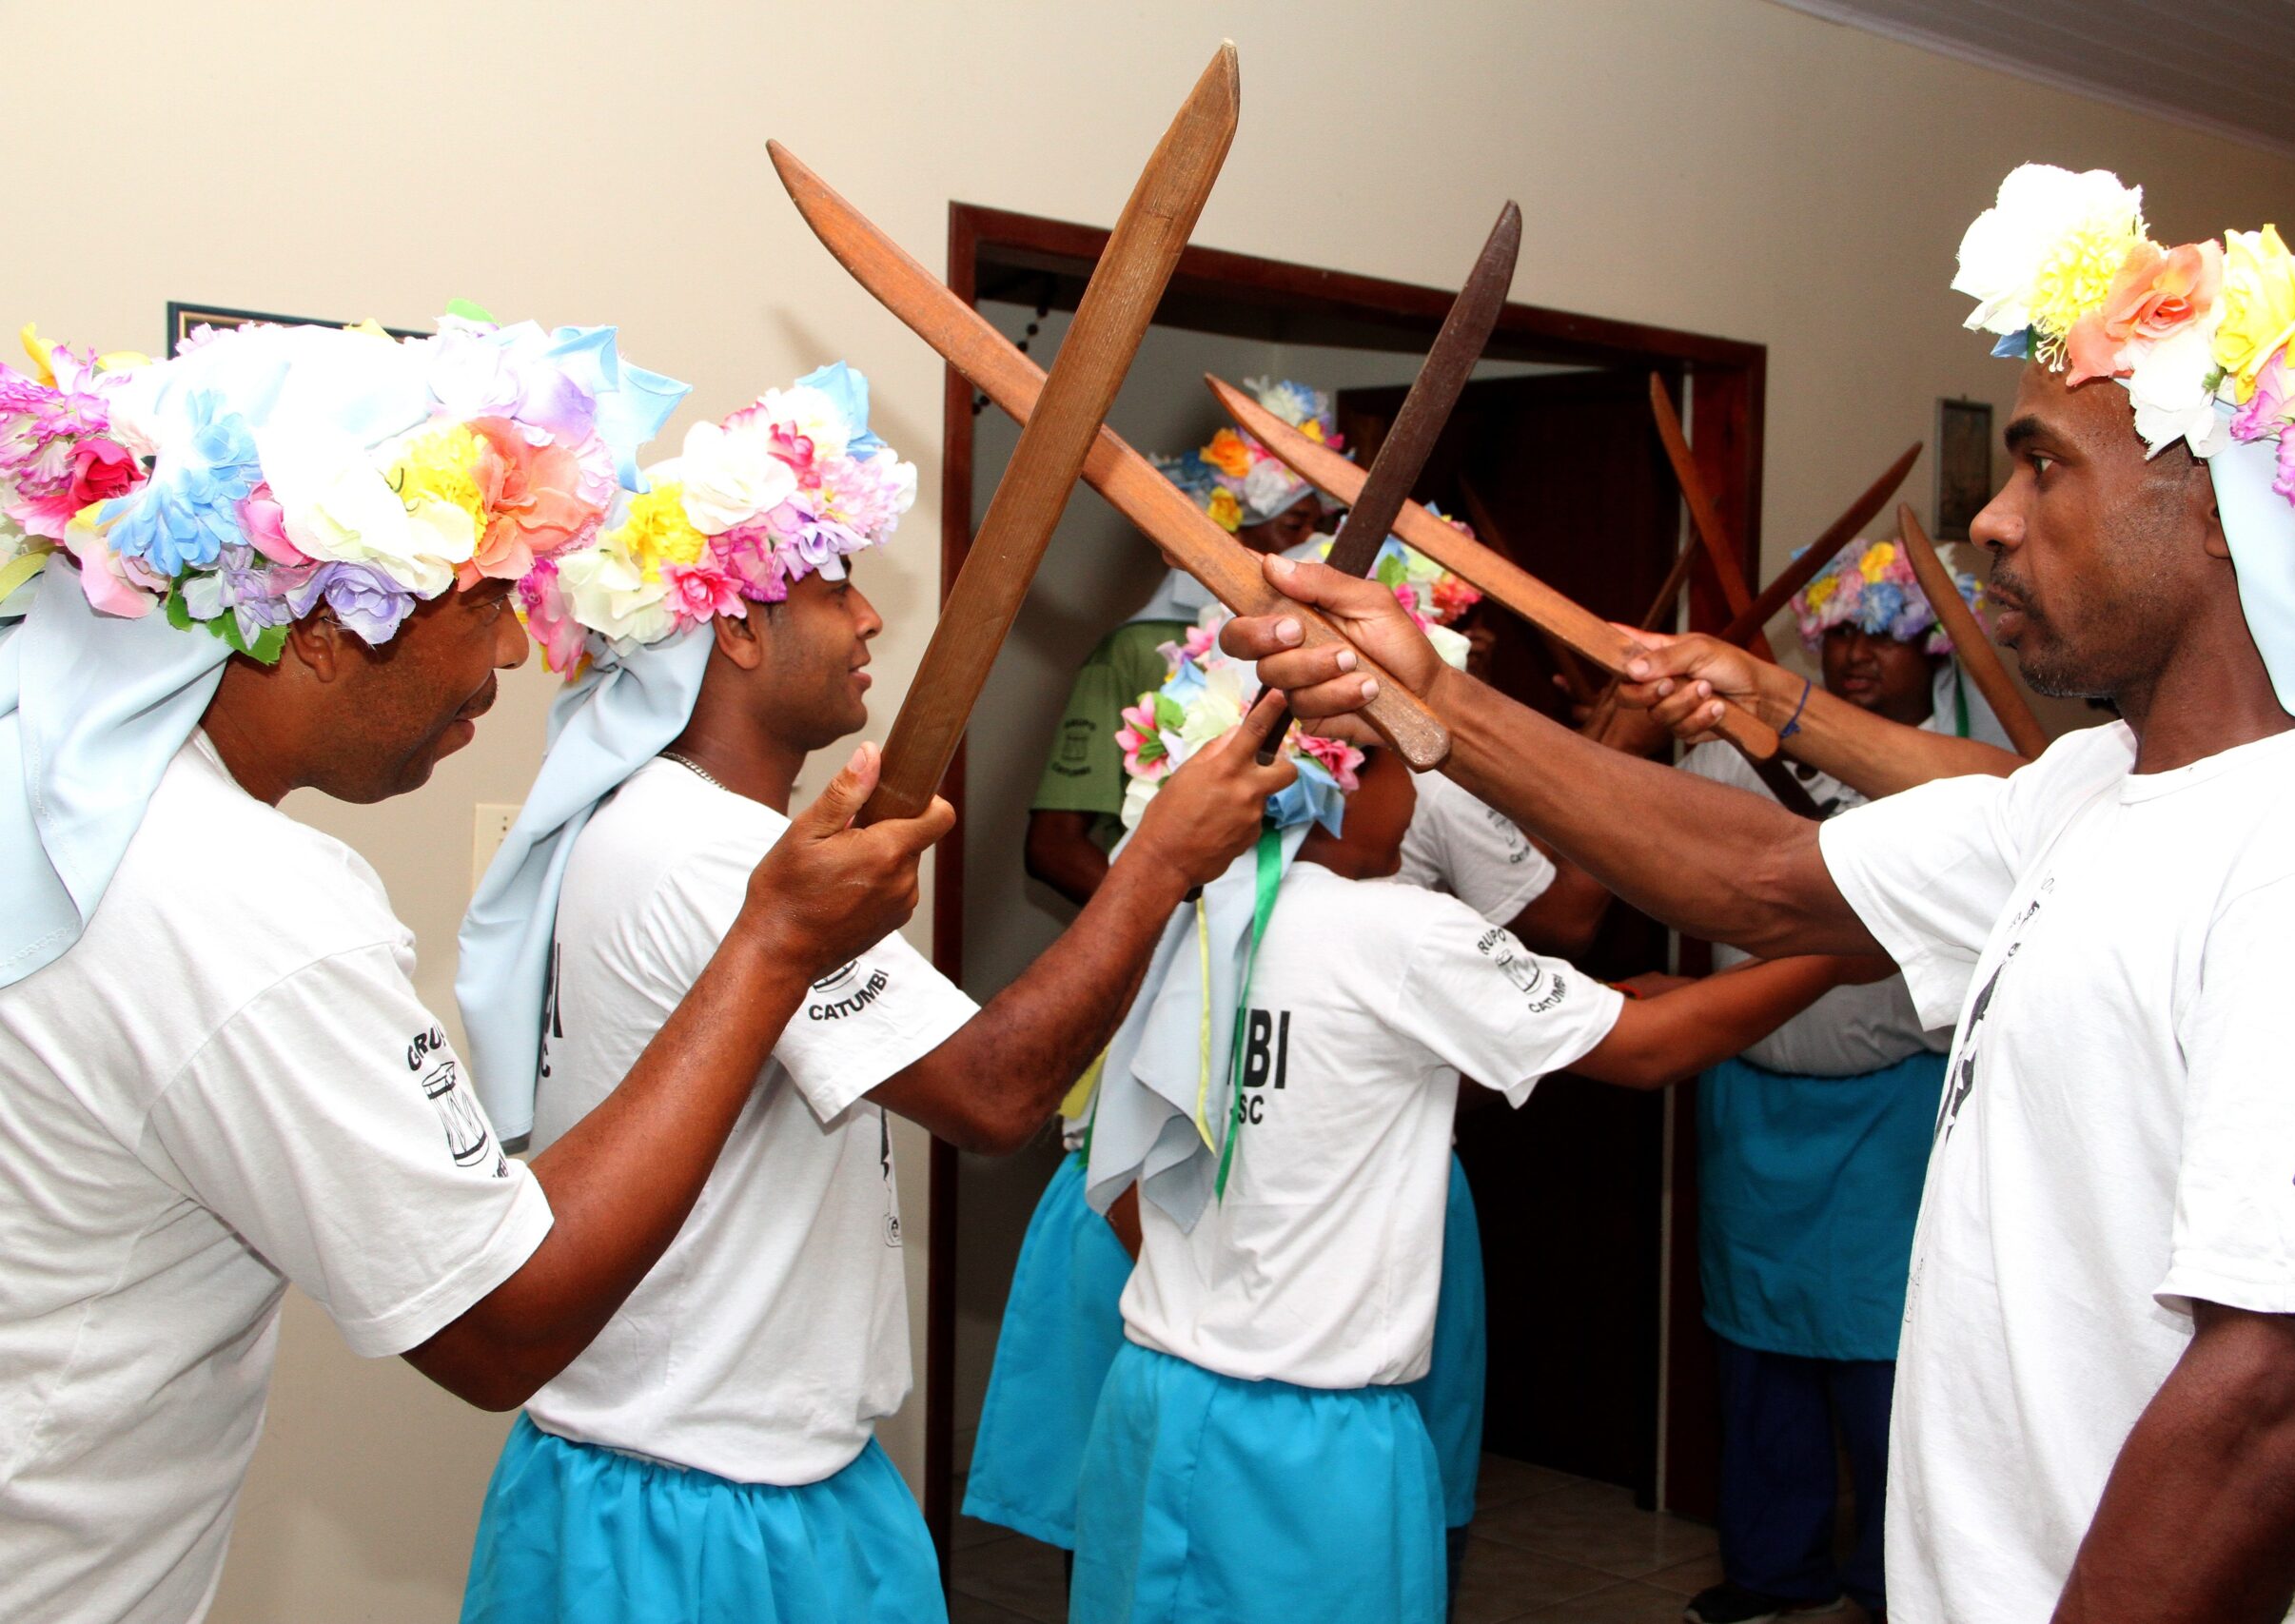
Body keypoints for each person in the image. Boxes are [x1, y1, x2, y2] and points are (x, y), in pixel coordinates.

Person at [1220, 165, 2295, 1623]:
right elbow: (1763, 873)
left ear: (2227, 511)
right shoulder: (2090, 789)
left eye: (2046, 467)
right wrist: (1430, 699)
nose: (1988, 521)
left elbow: (2287, 1391)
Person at [0, 316, 951, 1624]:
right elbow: (506, 1320)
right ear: (322, 625)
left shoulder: (53, 807)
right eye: (486, 598)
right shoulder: (236, 902)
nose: (513, 652)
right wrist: (773, 942)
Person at [449, 366, 1292, 1624]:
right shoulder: (711, 854)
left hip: (713, 1462)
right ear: (736, 628)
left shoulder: (656, 821)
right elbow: (993, 1091)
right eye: (836, 585)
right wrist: (1162, 859)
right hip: (701, 1502)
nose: (870, 622)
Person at [1066, 632, 1884, 1624]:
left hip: (1155, 1398)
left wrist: (1220, 1301)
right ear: (1353, 779)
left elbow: (1113, 1176)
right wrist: (1840, 949)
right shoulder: (1398, 929)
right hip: (1308, 1435)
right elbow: (1646, 1049)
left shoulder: (1169, 915)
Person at [963, 550, 1604, 1594]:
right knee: (1176, 1511)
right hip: (1223, 1321)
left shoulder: (1377, 885)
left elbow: (1561, 918)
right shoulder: (1212, 914)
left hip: (1311, 1229)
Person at [1677, 538, 2007, 1624]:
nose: (1862, 658)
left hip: (1894, 1112)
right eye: (1845, 635)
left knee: (1887, 1356)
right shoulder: (1734, 750)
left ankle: (1888, 1583)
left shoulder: (1973, 780)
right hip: (1752, 1104)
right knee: (1757, 1346)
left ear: (1937, 659)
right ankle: (1774, 1572)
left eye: (1893, 637)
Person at [1025, 377, 1339, 904]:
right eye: (1296, 524)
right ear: (1233, 534)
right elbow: (1054, 845)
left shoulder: (1323, 650)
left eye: (1322, 525)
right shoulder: (1135, 650)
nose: (1316, 545)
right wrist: (1156, 930)